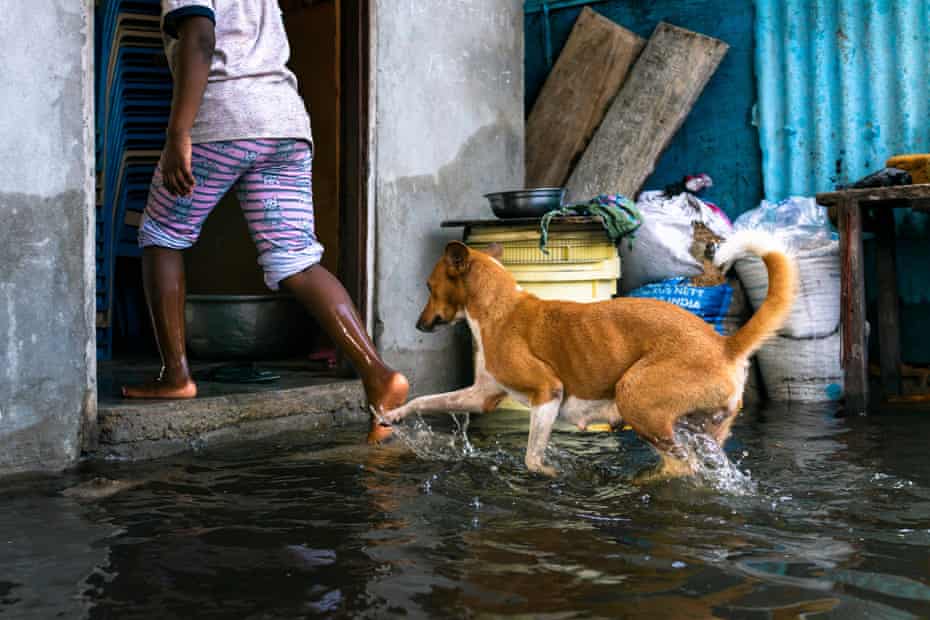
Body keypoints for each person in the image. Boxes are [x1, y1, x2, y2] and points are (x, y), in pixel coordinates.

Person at [122, 0, 406, 443]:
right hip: (284, 122)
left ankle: (175, 375)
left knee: (162, 235)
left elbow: (199, 37)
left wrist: (178, 132)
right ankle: (377, 373)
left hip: (224, 118)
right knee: (295, 260)